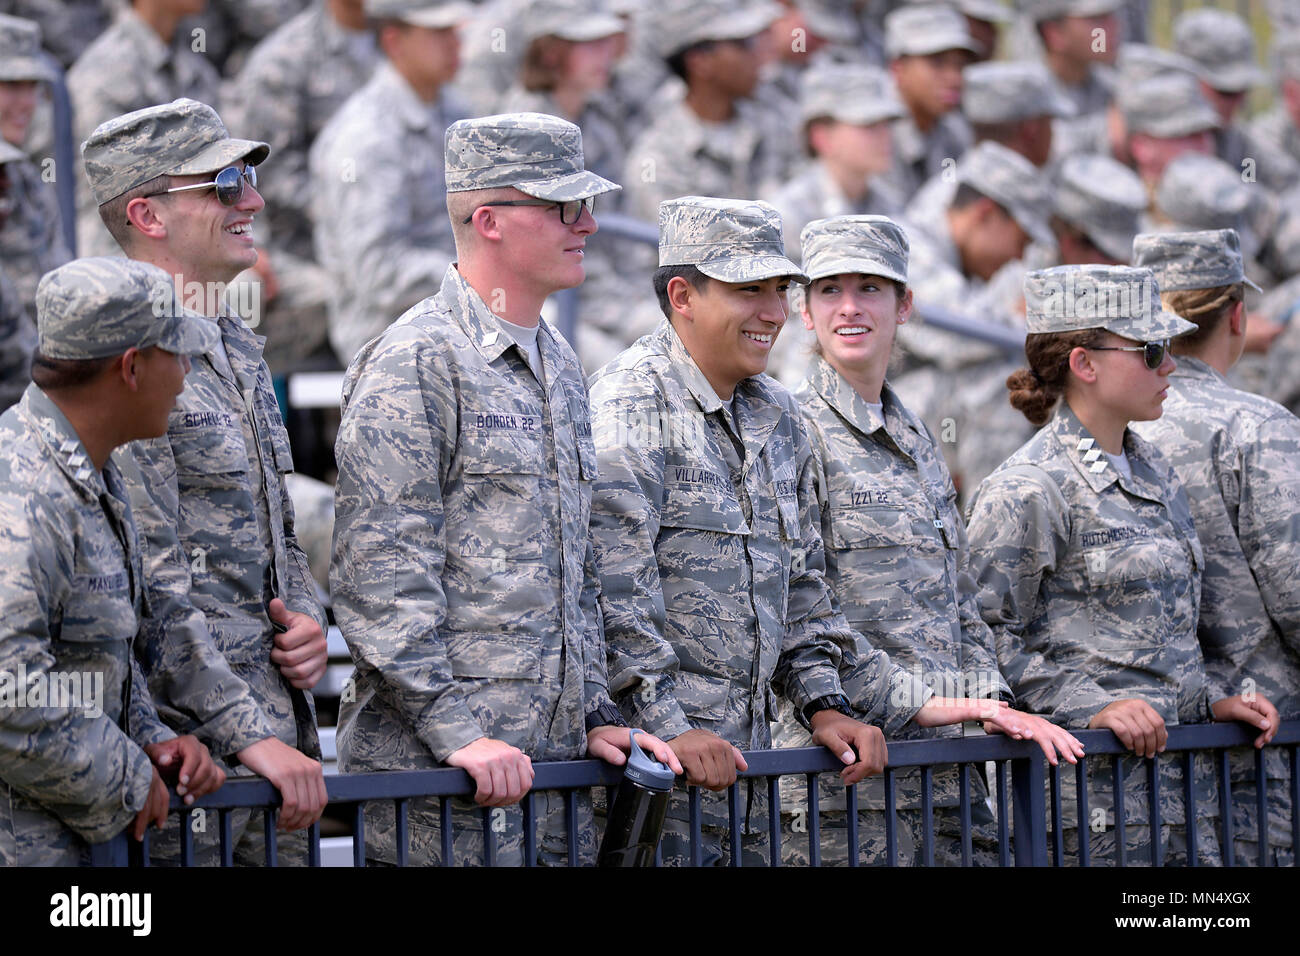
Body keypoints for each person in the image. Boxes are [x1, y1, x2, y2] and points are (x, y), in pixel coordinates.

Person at [330, 112, 680, 867]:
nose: (588, 223)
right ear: (488, 221)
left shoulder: (558, 362)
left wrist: (594, 712)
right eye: (562, 207)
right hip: (441, 797)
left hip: (550, 787)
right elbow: (380, 581)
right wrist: (458, 731)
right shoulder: (417, 361)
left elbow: (572, 571)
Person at [588, 196, 900, 866]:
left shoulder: (777, 414)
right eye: (746, 290)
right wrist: (668, 724)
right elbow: (612, 589)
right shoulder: (631, 404)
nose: (771, 312)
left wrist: (825, 704)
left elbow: (802, 585)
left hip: (747, 781)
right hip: (652, 781)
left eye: (780, 290)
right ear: (683, 295)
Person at [772, 214, 1084, 866]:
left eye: (871, 289)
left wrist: (988, 703)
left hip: (949, 779)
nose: (850, 307)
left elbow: (958, 594)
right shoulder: (790, 429)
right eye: (829, 290)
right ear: (805, 310)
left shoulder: (915, 436)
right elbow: (799, 611)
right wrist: (937, 707)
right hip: (846, 784)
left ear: (905, 304)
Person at [81, 97, 330, 864]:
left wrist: (310, 623)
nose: (251, 200)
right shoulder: (128, 355)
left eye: (248, 179)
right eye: (223, 183)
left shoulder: (228, 339)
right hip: (186, 766)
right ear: (147, 216)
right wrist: (246, 734)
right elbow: (145, 580)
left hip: (273, 758)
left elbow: (266, 532)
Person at [964, 263, 1278, 865]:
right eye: (1152, 350)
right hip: (1092, 811)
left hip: (1186, 800)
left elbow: (1158, 635)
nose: (1171, 366)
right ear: (1085, 363)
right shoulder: (1030, 488)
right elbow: (979, 636)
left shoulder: (1157, 472)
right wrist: (1092, 705)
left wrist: (1209, 699)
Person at [0, 256, 227, 865]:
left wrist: (152, 741)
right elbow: (6, 686)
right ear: (131, 368)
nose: (184, 375)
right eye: (175, 355)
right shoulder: (24, 493)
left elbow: (95, 660)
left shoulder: (87, 472)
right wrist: (125, 775)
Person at [1131, 229, 1298, 866]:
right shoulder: (1259, 427)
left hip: (1133, 764)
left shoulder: (1102, 423)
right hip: (1260, 758)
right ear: (1237, 315)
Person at [309, 0, 471, 365]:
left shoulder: (454, 111)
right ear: (395, 40)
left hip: (461, 309)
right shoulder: (366, 136)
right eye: (437, 33)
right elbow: (378, 272)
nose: (454, 43)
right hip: (393, 336)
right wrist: (481, 277)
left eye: (454, 31)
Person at [222, 0, 379, 370]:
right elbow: (265, 172)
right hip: (300, 250)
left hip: (381, 239)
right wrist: (350, 210)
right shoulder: (284, 60)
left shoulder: (400, 40)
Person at [67, 0, 222, 259]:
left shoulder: (192, 64)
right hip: (122, 246)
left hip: (189, 230)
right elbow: (112, 191)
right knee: (243, 287)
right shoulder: (104, 73)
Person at [879, 4, 978, 202]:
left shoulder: (954, 132)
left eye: (960, 65)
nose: (954, 78)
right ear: (898, 69)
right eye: (937, 63)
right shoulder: (876, 134)